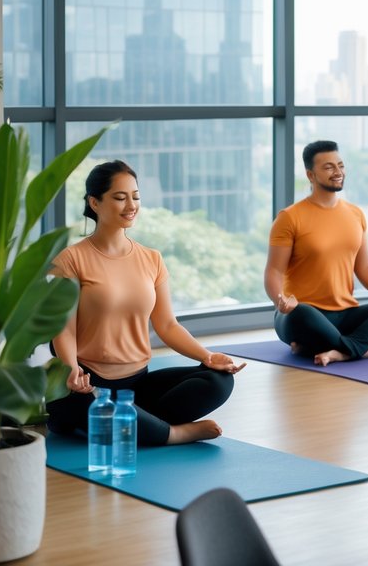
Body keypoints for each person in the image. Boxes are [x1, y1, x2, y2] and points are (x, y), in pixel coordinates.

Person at [48, 161, 244, 446]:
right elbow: (63, 329)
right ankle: (173, 433)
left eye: (135, 196)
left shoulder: (152, 259)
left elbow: (167, 325)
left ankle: (136, 424)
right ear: (95, 202)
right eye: (120, 197)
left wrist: (207, 356)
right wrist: (70, 370)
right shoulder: (70, 260)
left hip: (137, 384)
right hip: (86, 385)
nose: (131, 205)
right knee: (79, 403)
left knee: (219, 381)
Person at [265, 140, 368, 366]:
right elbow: (274, 271)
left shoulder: (355, 214)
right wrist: (280, 300)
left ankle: (335, 350)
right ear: (311, 175)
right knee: (301, 314)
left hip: (346, 313)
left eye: (340, 165)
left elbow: (365, 268)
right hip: (303, 313)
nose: (338, 172)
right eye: (328, 167)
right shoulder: (289, 218)